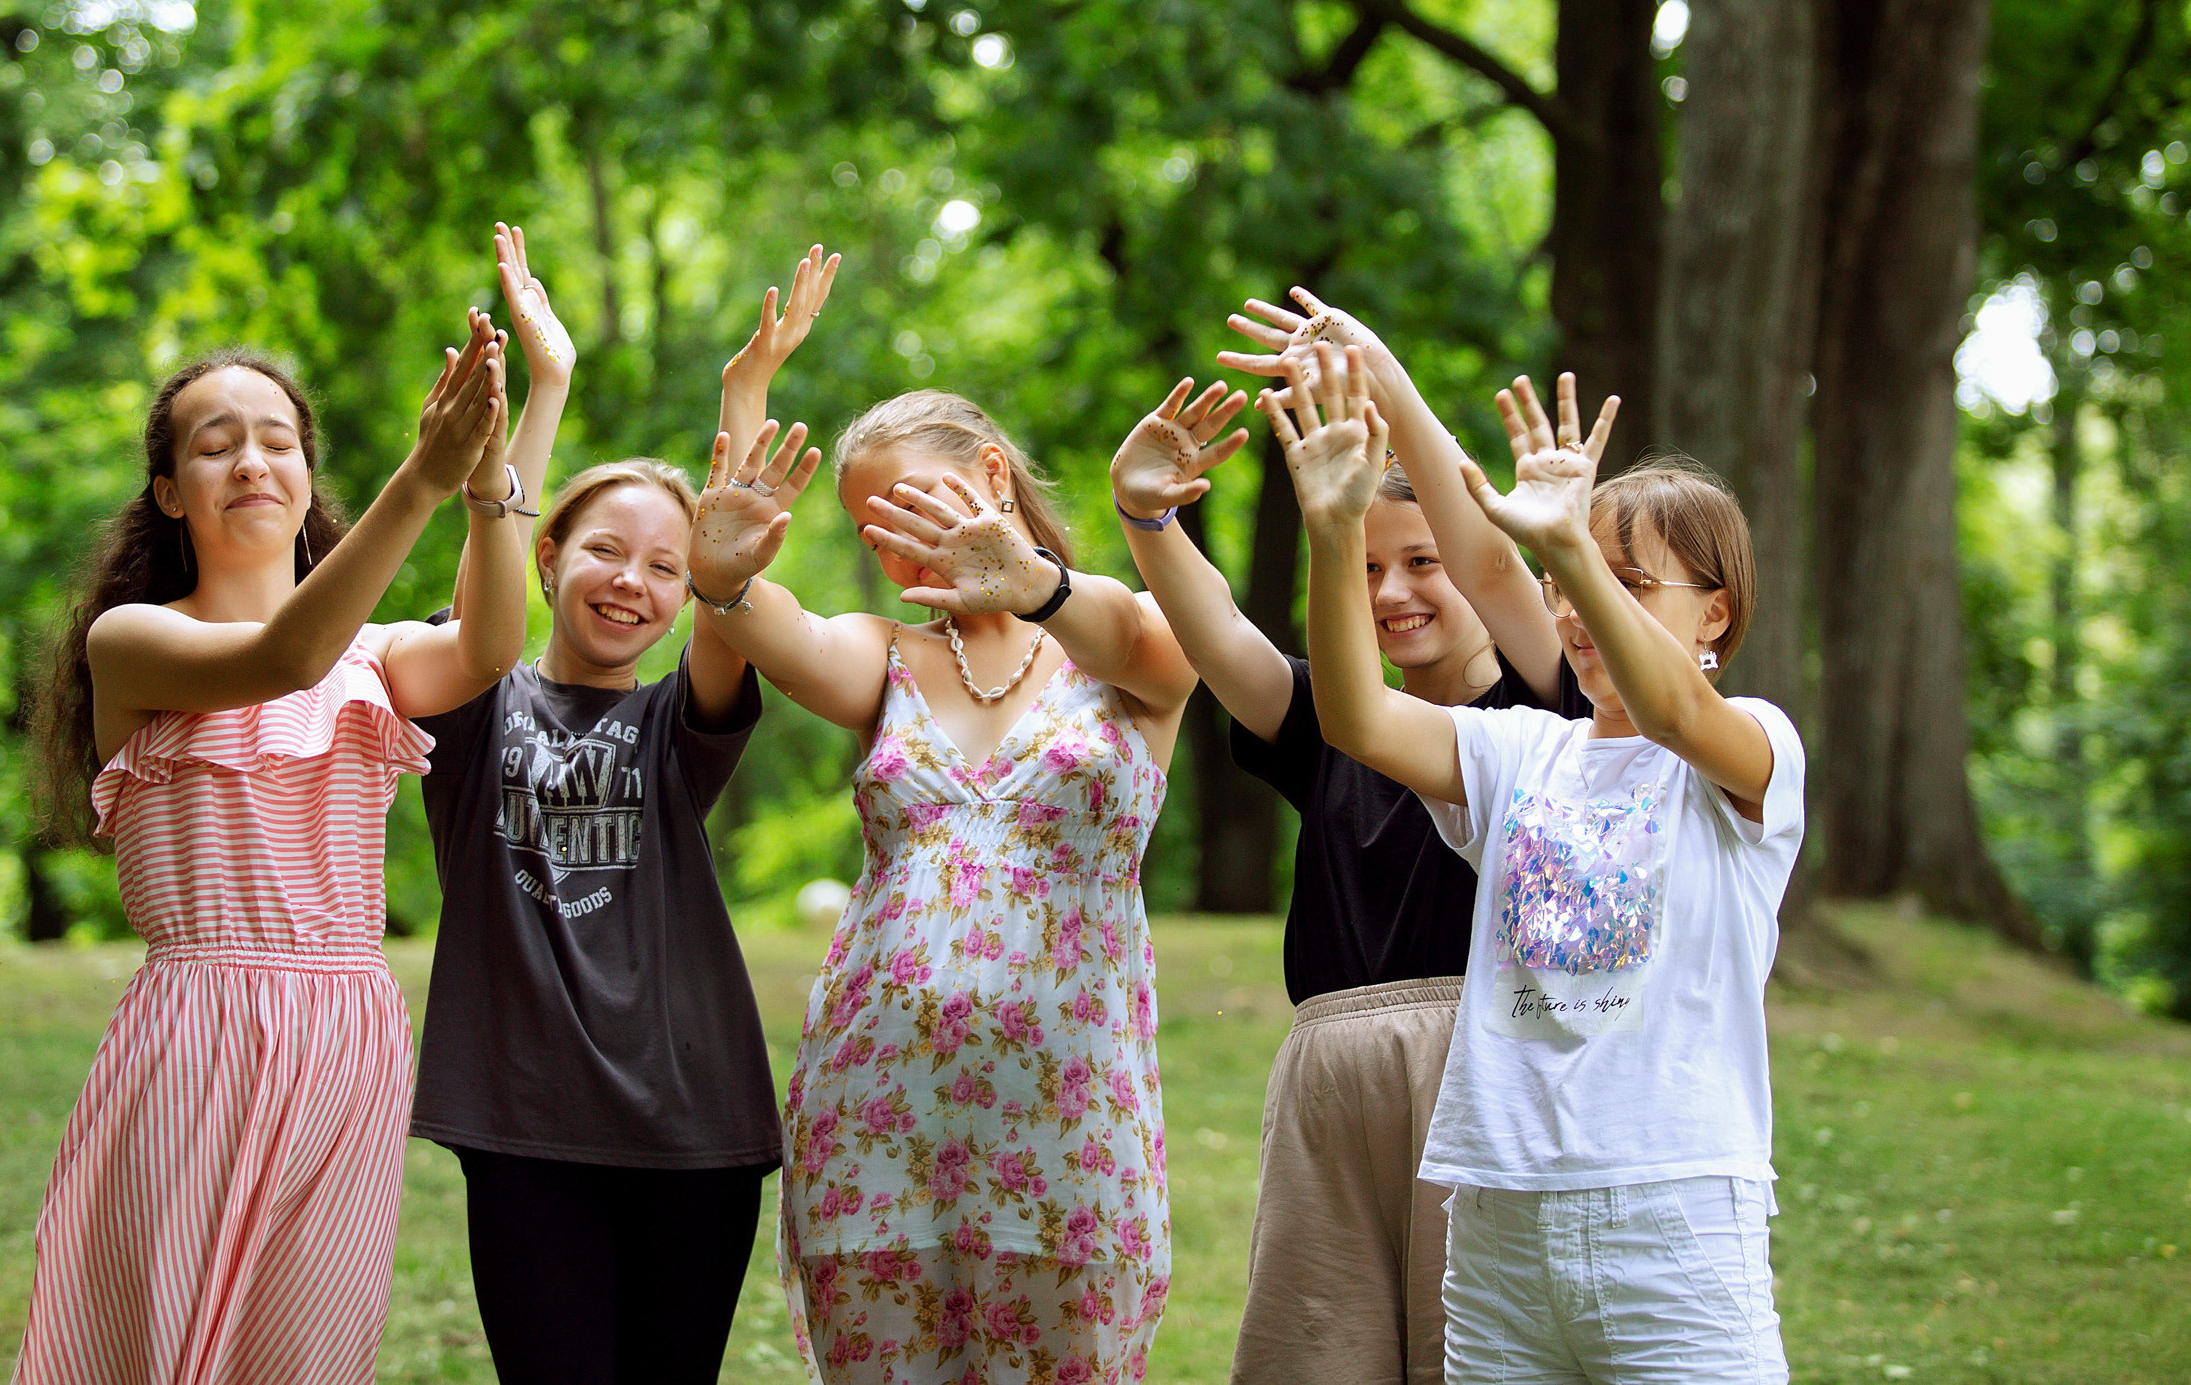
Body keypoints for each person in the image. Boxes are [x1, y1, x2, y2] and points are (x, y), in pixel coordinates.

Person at [20, 308, 528, 1384]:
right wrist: (423, 479)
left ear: (305, 472)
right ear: (170, 491)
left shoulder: (378, 658)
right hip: (200, 1023)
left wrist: (487, 476)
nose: (251, 458)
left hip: (350, 1026)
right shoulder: (136, 640)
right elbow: (286, 655)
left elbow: (488, 646)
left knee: (307, 1348)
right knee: (161, 1333)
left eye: (277, 438)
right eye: (214, 443)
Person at [1275, 348, 1801, 1384]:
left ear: (1717, 614)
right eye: (1567, 586)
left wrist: (1566, 535)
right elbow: (1356, 715)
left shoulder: (1749, 744)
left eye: (1626, 584)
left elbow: (1674, 710)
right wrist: (1334, 534)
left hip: (1675, 1213)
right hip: (1497, 1219)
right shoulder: (1521, 749)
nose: (1575, 608)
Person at [1106, 291, 1587, 1385]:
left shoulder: (1544, 708)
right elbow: (1220, 634)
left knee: (1471, 1349)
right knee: (1322, 1348)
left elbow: (1501, 567)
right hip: (1332, 1069)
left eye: (1420, 560)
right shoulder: (1329, 721)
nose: (1391, 590)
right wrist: (1145, 520)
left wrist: (1383, 376)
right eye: (1366, 567)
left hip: (1488, 1061)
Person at [684, 380, 1200, 1384]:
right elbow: (773, 626)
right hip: (876, 1128)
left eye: (918, 504)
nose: (903, 547)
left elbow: (1159, 656)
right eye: (877, 531)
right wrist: (723, 580)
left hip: (1068, 1133)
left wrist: (1032, 582)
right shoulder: (887, 657)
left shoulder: (1126, 637)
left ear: (993, 474)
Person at [405, 236, 839, 1383]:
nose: (631, 580)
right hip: (525, 1126)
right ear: (548, 557)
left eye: (660, 565)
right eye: (604, 549)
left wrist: (745, 395)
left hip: (692, 1124)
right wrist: (546, 385)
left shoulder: (676, 722)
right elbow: (482, 568)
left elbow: (730, 565)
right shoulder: (469, 699)